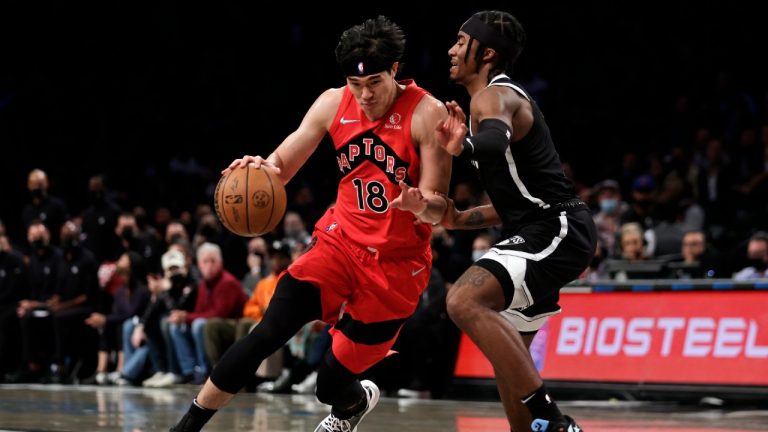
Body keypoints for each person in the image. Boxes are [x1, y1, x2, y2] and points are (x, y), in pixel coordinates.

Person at [169, 15, 452, 432]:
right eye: (356, 85)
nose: (365, 94)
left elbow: (439, 206)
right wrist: (258, 170)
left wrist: (418, 204)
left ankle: (352, 404)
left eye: (374, 82)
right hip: (339, 244)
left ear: (395, 69)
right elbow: (280, 166)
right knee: (268, 331)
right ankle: (186, 426)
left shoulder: (428, 113)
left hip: (395, 266)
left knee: (330, 384)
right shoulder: (332, 103)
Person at [434, 10, 596, 432]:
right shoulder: (488, 100)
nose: (451, 50)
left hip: (556, 227)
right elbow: (514, 202)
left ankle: (555, 422)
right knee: (511, 366)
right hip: (541, 225)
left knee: (463, 301)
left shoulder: (494, 96)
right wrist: (455, 217)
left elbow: (490, 143)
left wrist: (463, 146)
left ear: (486, 52)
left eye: (459, 41)